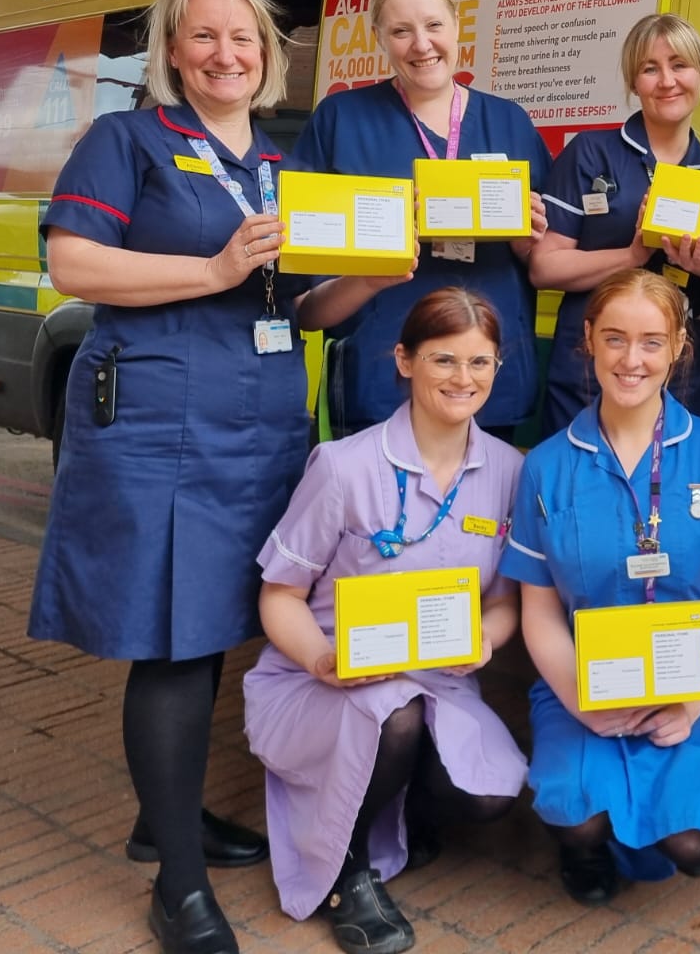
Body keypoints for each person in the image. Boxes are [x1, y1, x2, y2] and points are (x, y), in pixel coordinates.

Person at [29, 0, 403, 954]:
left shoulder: (284, 168)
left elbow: (295, 311)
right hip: (163, 426)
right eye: (204, 38)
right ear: (172, 51)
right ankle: (179, 888)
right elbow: (71, 262)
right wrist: (212, 268)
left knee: (245, 624)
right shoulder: (128, 141)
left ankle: (171, 816)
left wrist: (366, 279)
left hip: (268, 427)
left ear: (270, 55)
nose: (225, 54)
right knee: (177, 637)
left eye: (243, 39)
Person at [244, 287, 527, 954]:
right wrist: (319, 658)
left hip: (439, 678)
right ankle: (346, 873)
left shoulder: (511, 472)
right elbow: (278, 596)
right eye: (444, 360)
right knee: (392, 718)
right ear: (403, 361)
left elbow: (504, 602)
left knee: (490, 798)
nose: (464, 379)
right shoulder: (343, 467)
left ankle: (390, 808)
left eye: (480, 363)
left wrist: (486, 640)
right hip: (324, 679)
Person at [499, 269, 700, 904]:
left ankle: (659, 818)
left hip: (698, 672)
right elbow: (538, 612)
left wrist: (694, 700)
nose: (631, 360)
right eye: (615, 338)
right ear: (588, 339)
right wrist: (579, 700)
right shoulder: (545, 465)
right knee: (578, 818)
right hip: (586, 676)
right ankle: (588, 847)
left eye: (652, 342)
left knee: (695, 848)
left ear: (680, 347)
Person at [294, 0, 553, 441]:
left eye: (434, 25)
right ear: (378, 37)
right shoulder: (341, 120)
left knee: (481, 515)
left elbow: (546, 263)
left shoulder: (510, 122)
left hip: (488, 384)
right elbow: (307, 303)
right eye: (400, 31)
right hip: (379, 382)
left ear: (457, 25)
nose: (421, 44)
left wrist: (526, 240)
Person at [530, 13, 700, 436]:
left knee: (677, 497)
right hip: (590, 371)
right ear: (634, 82)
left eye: (679, 65)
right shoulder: (591, 153)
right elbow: (544, 268)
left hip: (683, 377)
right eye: (650, 69)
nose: (667, 80)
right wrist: (634, 255)